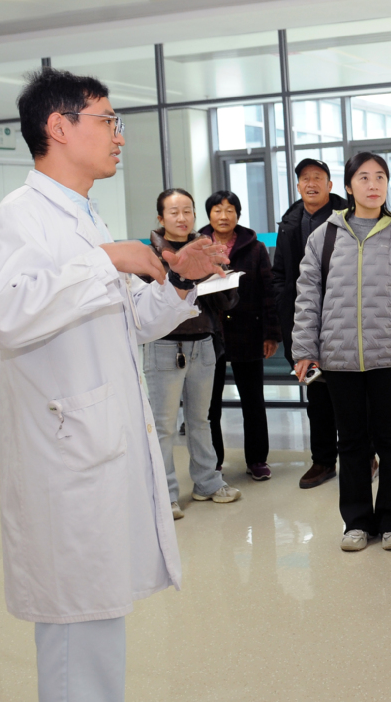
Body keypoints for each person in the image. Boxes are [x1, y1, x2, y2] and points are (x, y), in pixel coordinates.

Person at [0, 68, 227, 702]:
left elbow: (128, 321)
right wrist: (108, 259)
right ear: (59, 127)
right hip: (65, 456)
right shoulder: (19, 217)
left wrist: (178, 282)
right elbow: (11, 315)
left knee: (97, 619)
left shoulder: (84, 217)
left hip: (97, 446)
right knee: (76, 629)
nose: (119, 136)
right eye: (108, 120)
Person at [291, 152, 391, 552]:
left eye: (380, 177)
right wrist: (304, 348)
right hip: (338, 356)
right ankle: (356, 522)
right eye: (364, 178)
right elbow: (308, 297)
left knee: (390, 439)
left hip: (387, 353)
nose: (373, 185)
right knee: (350, 441)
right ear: (348, 187)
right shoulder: (325, 236)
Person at [142, 189, 242, 519]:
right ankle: (165, 493)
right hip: (164, 345)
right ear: (161, 218)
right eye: (174, 212)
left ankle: (208, 483)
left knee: (201, 420)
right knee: (164, 425)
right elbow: (147, 302)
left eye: (188, 211)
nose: (182, 218)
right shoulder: (150, 256)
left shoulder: (205, 248)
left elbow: (226, 303)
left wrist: (224, 280)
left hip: (203, 343)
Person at [272, 157, 350, 490]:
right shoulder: (290, 222)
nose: (311, 183)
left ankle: (364, 456)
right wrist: (285, 311)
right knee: (317, 396)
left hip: (343, 321)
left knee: (350, 395)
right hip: (304, 324)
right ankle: (323, 460)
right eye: (305, 178)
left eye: (318, 177)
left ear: (330, 185)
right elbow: (279, 273)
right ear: (298, 185)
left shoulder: (349, 217)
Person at [203, 190, 281, 482]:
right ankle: (213, 462)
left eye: (230, 210)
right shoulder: (197, 247)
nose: (224, 216)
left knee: (253, 401)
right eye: (217, 210)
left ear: (238, 215)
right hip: (209, 334)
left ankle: (257, 459)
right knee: (209, 405)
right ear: (209, 215)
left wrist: (271, 335)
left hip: (248, 331)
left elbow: (268, 292)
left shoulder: (255, 248)